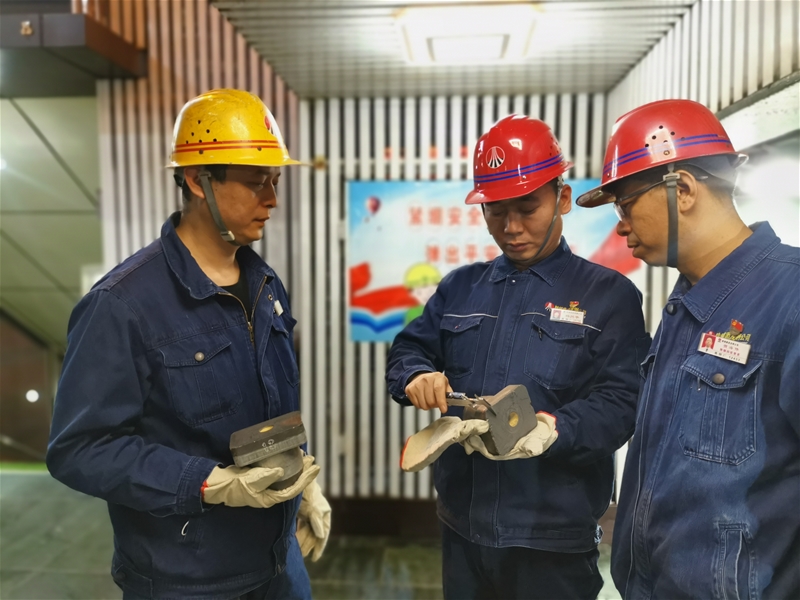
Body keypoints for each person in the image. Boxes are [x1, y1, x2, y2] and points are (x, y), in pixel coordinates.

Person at [46, 89, 330, 600]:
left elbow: (273, 402)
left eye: (276, 179)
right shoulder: (122, 305)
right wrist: (208, 482)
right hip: (188, 577)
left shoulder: (265, 285)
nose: (272, 198)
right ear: (199, 181)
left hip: (277, 559)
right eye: (255, 182)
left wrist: (301, 479)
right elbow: (80, 449)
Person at [386, 115, 650, 599]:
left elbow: (623, 401)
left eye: (527, 208)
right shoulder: (460, 287)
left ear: (563, 198)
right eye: (495, 211)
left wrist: (553, 428)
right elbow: (409, 347)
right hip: (463, 528)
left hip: (551, 541)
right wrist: (416, 374)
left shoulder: (609, 296)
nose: (511, 228)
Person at [577, 98, 800, 599]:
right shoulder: (688, 303)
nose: (620, 225)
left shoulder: (791, 299)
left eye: (625, 204)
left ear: (682, 190)